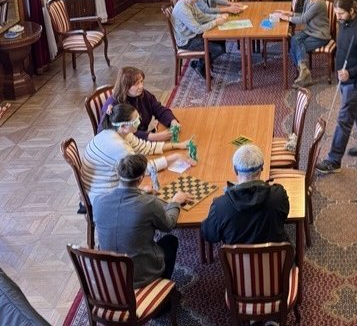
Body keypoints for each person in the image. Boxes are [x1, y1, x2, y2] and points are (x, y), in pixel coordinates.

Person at [94, 154, 193, 288]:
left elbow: (121, 212)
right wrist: (175, 202)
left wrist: (141, 194)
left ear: (118, 174)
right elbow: (169, 225)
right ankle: (161, 288)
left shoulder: (99, 201)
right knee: (170, 241)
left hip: (109, 275)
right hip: (139, 276)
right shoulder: (149, 204)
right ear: (141, 178)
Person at [82, 103, 193, 206]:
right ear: (123, 126)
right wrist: (175, 157)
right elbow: (144, 169)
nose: (139, 123)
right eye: (135, 122)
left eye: (138, 118)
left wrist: (178, 145)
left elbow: (145, 147)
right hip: (104, 198)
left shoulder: (122, 133)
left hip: (109, 186)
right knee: (156, 201)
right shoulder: (118, 146)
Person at [315, 0, 357, 174]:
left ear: (351, 11)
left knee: (344, 119)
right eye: (336, 13)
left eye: (341, 13)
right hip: (345, 78)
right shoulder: (345, 22)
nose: (338, 17)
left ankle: (333, 160)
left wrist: (350, 72)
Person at [201, 144, 289, 244]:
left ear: (235, 170)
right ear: (262, 168)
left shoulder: (220, 206)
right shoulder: (278, 195)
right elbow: (283, 217)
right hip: (274, 258)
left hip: (236, 260)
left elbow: (209, 235)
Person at [275, 0, 330, 87]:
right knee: (294, 41)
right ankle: (304, 73)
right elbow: (304, 16)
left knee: (296, 47)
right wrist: (290, 13)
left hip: (320, 35)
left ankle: (304, 74)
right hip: (310, 31)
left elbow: (303, 20)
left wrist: (287, 18)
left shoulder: (318, 3)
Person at [99, 67, 180, 141]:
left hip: (142, 138)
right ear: (125, 86)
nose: (141, 86)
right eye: (136, 84)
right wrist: (150, 137)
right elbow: (123, 132)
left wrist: (172, 121)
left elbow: (158, 108)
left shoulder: (143, 94)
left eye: (141, 81)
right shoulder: (115, 105)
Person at [171, 0, 228, 80]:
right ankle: (200, 65)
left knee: (221, 40)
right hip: (187, 41)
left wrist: (218, 16)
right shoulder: (183, 9)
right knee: (219, 49)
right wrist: (216, 22)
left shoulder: (190, 3)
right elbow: (197, 29)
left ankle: (206, 61)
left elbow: (201, 16)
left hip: (193, 35)